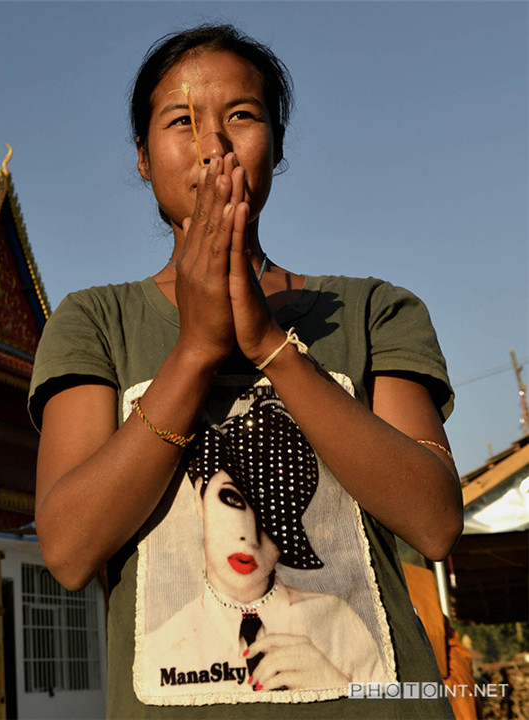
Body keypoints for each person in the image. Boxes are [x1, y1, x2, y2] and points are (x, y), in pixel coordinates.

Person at [29, 22, 462, 718]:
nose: (213, 145)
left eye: (242, 116)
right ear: (142, 156)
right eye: (181, 120)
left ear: (277, 145)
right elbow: (71, 549)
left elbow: (435, 523)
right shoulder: (94, 322)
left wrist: (266, 342)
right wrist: (196, 350)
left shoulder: (372, 310)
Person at [144, 411, 383, 701]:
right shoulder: (161, 646)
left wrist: (338, 684)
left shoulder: (338, 620)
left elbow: (388, 703)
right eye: (232, 498)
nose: (250, 535)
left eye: (274, 519)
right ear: (199, 496)